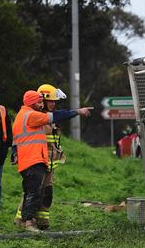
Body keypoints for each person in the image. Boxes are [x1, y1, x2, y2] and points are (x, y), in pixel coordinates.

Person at [13, 90, 92, 231]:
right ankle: (28, 222)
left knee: (31, 191)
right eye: (39, 101)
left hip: (29, 160)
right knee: (34, 192)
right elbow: (55, 116)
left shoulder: (22, 115)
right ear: (32, 103)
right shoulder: (31, 115)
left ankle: (25, 221)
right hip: (33, 160)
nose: (41, 104)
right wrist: (78, 111)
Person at [14, 84, 68, 229]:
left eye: (54, 101)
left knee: (46, 192)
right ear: (42, 100)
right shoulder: (37, 117)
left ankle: (42, 221)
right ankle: (22, 220)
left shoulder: (48, 118)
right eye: (50, 101)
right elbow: (22, 136)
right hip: (37, 160)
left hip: (50, 161)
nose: (53, 104)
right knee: (33, 191)